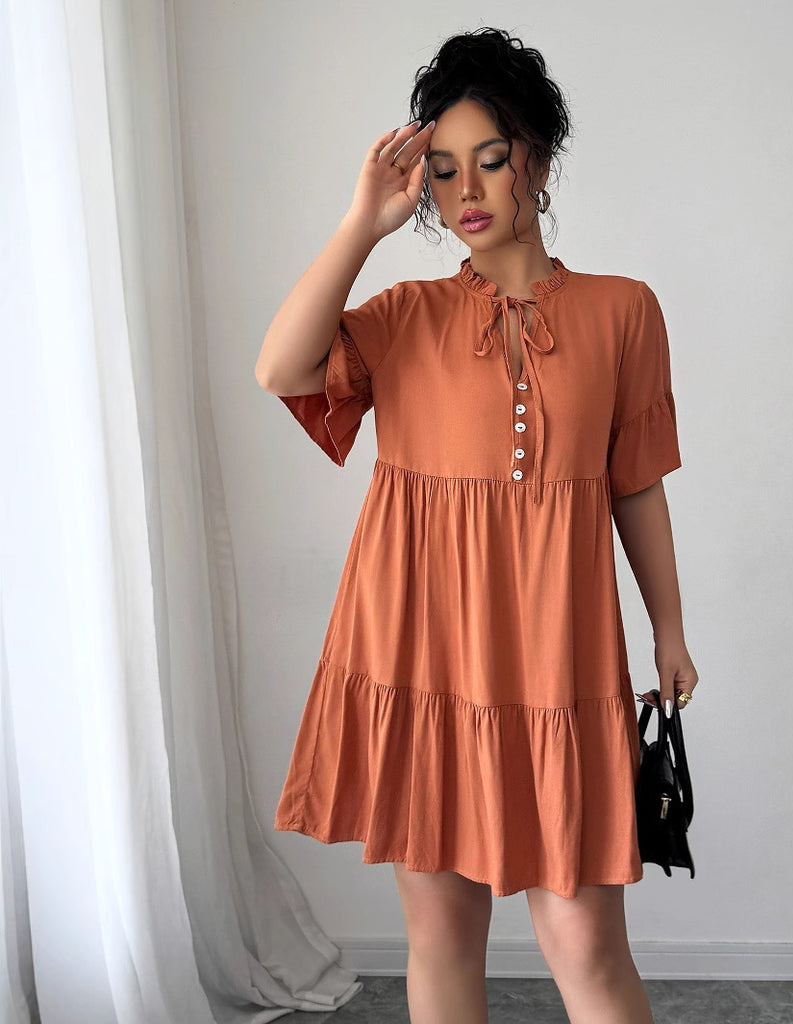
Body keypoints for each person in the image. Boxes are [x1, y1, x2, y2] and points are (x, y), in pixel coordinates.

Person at [255, 26, 699, 1024]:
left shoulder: (624, 312)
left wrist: (669, 629)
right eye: (444, 170)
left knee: (585, 942)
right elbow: (279, 369)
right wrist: (361, 225)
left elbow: (635, 486)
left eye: (489, 160)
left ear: (535, 157)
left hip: (559, 661)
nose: (466, 191)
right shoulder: (404, 315)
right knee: (443, 936)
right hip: (423, 656)